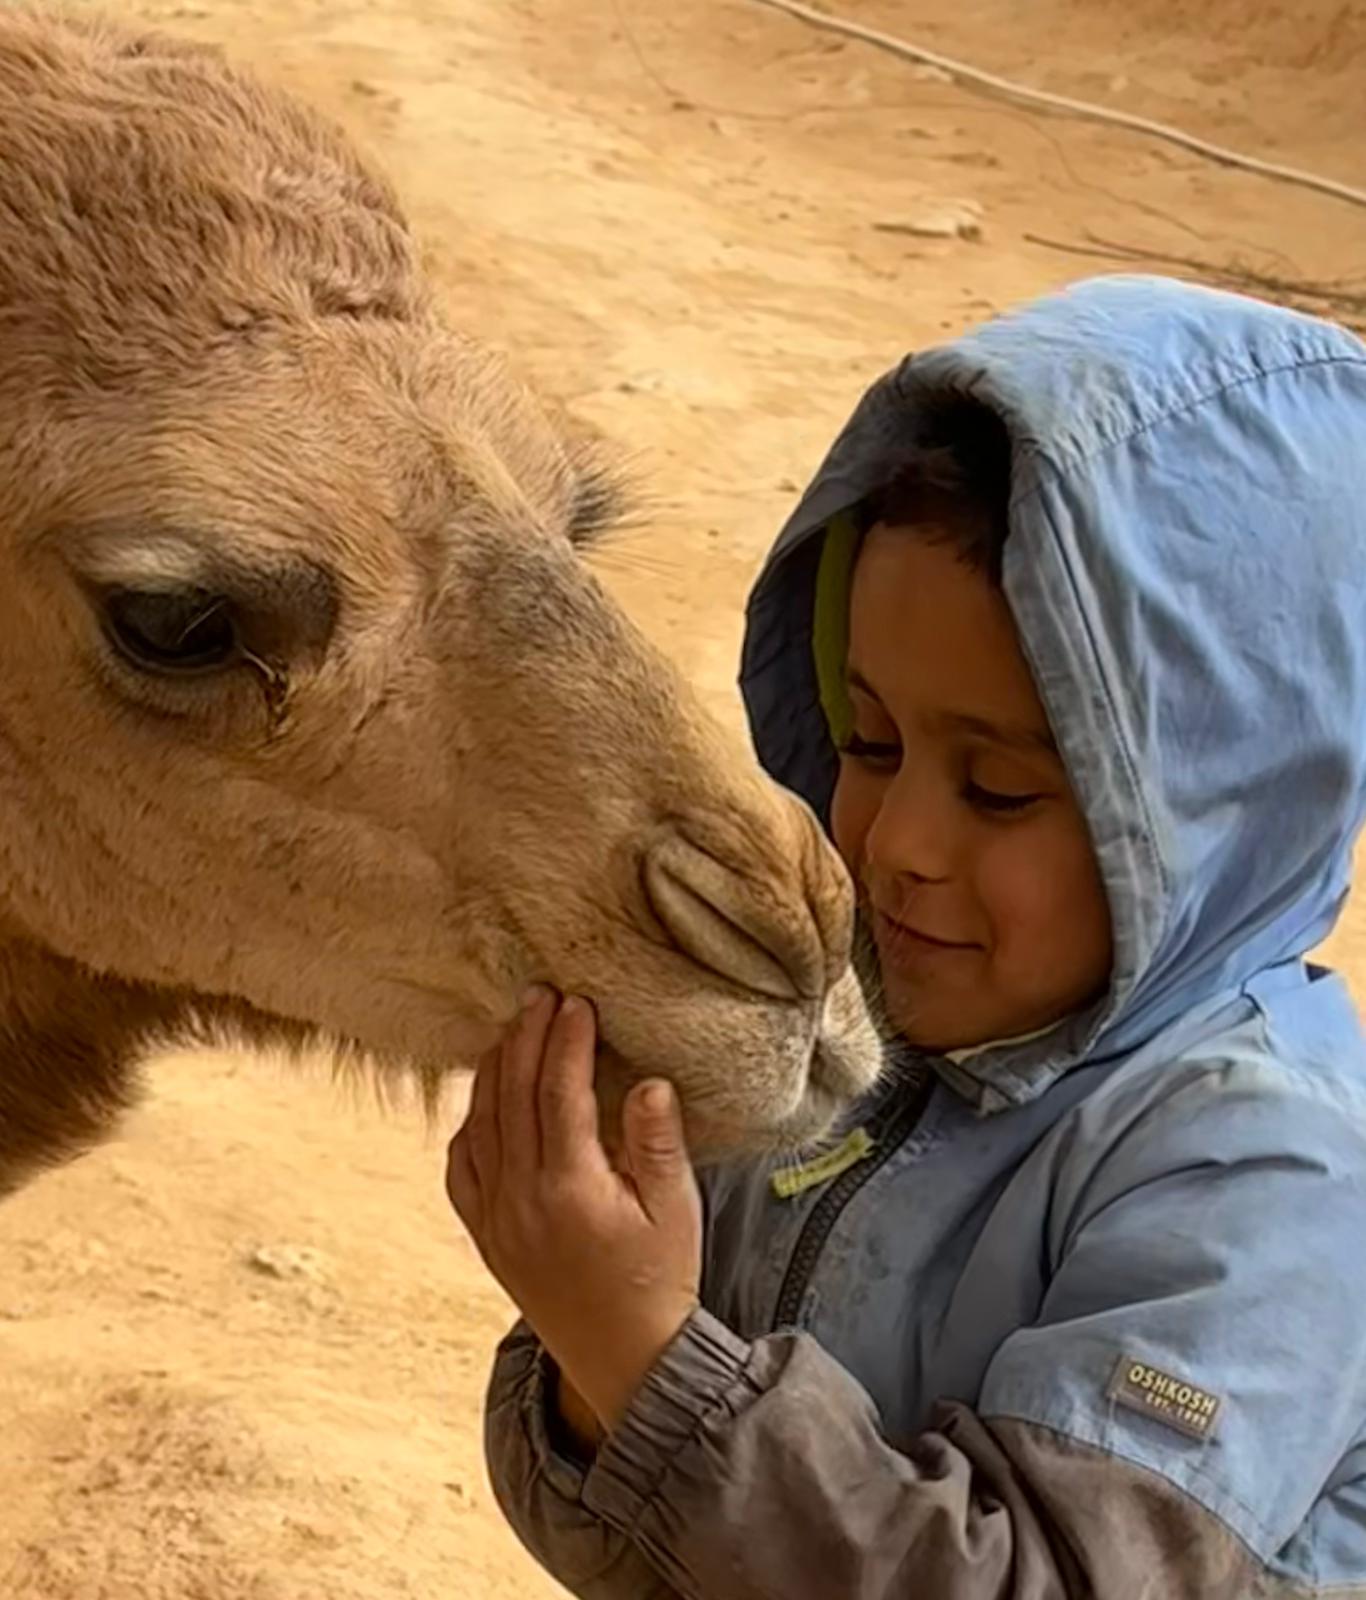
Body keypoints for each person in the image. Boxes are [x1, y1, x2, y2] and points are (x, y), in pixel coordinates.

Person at [446, 274, 1366, 1597]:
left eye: (998, 789)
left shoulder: (1268, 1171)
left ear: (1222, 801)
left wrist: (637, 1345)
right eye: (865, 741)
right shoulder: (837, 1047)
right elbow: (636, 1537)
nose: (894, 844)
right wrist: (585, 1331)